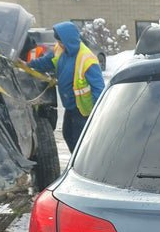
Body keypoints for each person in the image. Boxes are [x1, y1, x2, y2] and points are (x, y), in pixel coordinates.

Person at [28, 21, 105, 151]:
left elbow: (99, 88)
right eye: (58, 41)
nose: (59, 44)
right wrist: (29, 65)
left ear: (69, 40)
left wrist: (97, 113)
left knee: (79, 141)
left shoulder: (87, 59)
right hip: (70, 106)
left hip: (83, 110)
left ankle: (81, 162)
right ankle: (76, 160)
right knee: (68, 135)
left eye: (61, 41)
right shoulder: (60, 50)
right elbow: (47, 62)